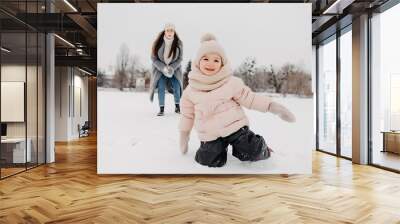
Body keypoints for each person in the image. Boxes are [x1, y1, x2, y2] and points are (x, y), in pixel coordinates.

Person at [178, 33, 296, 168]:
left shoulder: (230, 83)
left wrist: (272, 107)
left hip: (235, 127)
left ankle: (263, 149)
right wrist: (184, 135)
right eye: (205, 59)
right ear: (198, 62)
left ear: (222, 64)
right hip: (209, 133)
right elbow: (187, 115)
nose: (211, 63)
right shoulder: (190, 91)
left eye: (216, 60)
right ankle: (219, 148)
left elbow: (250, 99)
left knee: (251, 150)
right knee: (207, 160)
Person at [149, 23, 183, 116]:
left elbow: (180, 59)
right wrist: (163, 68)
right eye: (168, 30)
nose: (169, 32)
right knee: (161, 86)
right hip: (160, 69)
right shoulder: (157, 43)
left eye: (171, 30)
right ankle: (161, 109)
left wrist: (172, 68)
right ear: (165, 31)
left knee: (177, 86)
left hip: (174, 69)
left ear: (174, 32)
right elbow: (153, 58)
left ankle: (177, 107)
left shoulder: (179, 43)